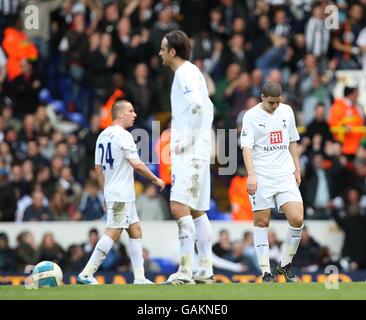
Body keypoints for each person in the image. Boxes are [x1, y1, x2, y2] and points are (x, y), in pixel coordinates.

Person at [77, 100, 165, 285]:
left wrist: (104, 193)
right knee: (114, 232)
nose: (134, 114)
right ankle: (87, 273)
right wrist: (155, 179)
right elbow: (137, 164)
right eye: (130, 111)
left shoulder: (102, 135)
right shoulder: (124, 135)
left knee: (135, 230)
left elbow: (98, 168)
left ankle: (140, 277)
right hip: (121, 193)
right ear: (119, 114)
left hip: (115, 192)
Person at [159, 30, 214, 284]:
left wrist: (188, 141)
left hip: (191, 151)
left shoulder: (183, 74)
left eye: (163, 48)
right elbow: (209, 107)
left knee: (178, 206)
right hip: (201, 149)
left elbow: (198, 107)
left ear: (172, 51)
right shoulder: (195, 73)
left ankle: (184, 270)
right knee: (198, 211)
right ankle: (205, 269)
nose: (160, 53)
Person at [241, 81, 304, 283]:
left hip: (285, 174)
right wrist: (251, 174)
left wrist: (297, 168)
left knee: (297, 219)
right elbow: (247, 148)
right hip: (261, 176)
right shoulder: (250, 116)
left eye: (278, 102)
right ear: (262, 98)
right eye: (271, 102)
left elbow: (292, 140)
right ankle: (266, 272)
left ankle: (285, 264)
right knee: (262, 222)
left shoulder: (287, 111)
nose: (275, 106)